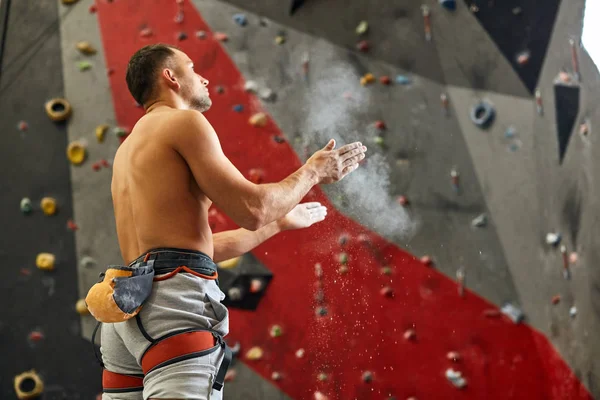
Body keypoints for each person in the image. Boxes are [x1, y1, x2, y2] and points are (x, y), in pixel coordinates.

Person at [96, 43, 367, 400]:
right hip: (172, 307)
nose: (204, 77)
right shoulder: (185, 122)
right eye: (193, 68)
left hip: (128, 310)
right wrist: (314, 171)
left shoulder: (127, 150)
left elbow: (189, 250)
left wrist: (280, 223)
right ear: (170, 77)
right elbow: (253, 210)